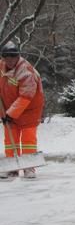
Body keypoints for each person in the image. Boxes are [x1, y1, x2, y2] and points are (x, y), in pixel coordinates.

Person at [0, 42, 44, 179]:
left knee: (27, 140)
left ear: (18, 56)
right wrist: (4, 114)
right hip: (9, 109)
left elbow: (26, 96)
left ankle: (29, 168)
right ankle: (13, 167)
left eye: (13, 57)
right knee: (9, 140)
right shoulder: (1, 67)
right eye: (6, 57)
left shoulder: (26, 72)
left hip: (29, 111)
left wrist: (10, 113)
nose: (10, 60)